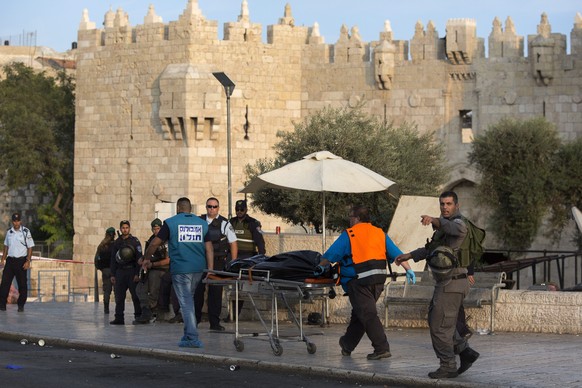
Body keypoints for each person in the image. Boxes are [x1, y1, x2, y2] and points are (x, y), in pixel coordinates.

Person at [395, 191, 480, 379]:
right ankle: (465, 352)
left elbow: (452, 228)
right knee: (441, 322)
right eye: (442, 204)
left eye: (448, 204)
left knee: (439, 326)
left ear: (456, 205)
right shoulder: (444, 228)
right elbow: (430, 249)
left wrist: (434, 220)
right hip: (448, 283)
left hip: (453, 283)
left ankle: (448, 366)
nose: (445, 207)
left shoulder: (459, 224)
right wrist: (408, 256)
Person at [316, 205, 415, 360]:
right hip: (378, 282)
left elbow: (331, 255)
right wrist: (408, 269)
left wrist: (319, 268)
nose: (349, 220)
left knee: (368, 314)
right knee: (360, 313)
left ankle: (381, 348)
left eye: (350, 217)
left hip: (358, 281)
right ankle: (347, 344)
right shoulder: (379, 233)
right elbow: (397, 254)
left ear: (357, 218)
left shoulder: (350, 234)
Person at [141, 197, 213, 348]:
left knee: (186, 303)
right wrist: (210, 269)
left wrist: (146, 258)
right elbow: (209, 248)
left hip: (181, 269)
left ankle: (192, 337)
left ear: (178, 208)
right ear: (190, 209)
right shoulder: (202, 223)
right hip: (198, 269)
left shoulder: (170, 223)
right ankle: (188, 335)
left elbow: (155, 242)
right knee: (189, 301)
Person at [194, 197, 238, 331]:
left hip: (218, 262)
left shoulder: (225, 223)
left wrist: (233, 263)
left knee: (215, 293)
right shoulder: (199, 221)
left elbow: (233, 244)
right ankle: (194, 321)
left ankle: (214, 323)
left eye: (214, 206)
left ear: (218, 208)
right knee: (197, 292)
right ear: (206, 207)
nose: (212, 209)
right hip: (201, 261)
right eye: (209, 206)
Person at [226, 199, 265, 321]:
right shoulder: (231, 222)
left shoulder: (252, 223)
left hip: (247, 257)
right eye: (237, 210)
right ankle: (231, 314)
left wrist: (261, 257)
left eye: (241, 209)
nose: (239, 212)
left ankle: (233, 315)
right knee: (231, 286)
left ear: (246, 210)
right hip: (233, 257)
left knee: (240, 286)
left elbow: (260, 242)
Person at [134, 218, 170, 324]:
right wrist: (143, 260)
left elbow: (168, 260)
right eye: (154, 229)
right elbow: (147, 255)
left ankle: (151, 311)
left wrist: (153, 264)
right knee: (140, 289)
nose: (156, 231)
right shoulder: (151, 241)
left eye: (158, 228)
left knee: (154, 292)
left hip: (160, 269)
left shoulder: (166, 241)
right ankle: (146, 311)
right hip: (149, 269)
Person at [109, 220, 142, 325]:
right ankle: (119, 317)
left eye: (127, 227)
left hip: (131, 270)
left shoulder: (135, 241)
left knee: (135, 296)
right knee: (119, 296)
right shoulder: (117, 243)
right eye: (123, 228)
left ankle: (138, 316)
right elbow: (113, 259)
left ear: (129, 228)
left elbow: (139, 258)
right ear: (120, 229)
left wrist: (137, 273)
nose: (125, 229)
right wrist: (113, 274)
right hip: (120, 271)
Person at [0, 212, 35, 312]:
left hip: (21, 261)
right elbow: (6, 246)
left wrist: (28, 261)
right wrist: (3, 259)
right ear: (12, 222)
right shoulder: (9, 232)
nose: (16, 223)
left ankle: (21, 305)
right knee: (4, 284)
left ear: (21, 221)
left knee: (23, 285)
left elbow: (30, 247)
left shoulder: (25, 232)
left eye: (18, 221)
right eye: (14, 221)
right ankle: (2, 305)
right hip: (10, 261)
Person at [94, 227, 116, 314]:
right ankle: (118, 308)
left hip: (105, 270)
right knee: (117, 291)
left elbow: (96, 259)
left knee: (107, 290)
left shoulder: (102, 245)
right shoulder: (116, 245)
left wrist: (101, 268)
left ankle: (106, 309)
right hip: (115, 270)